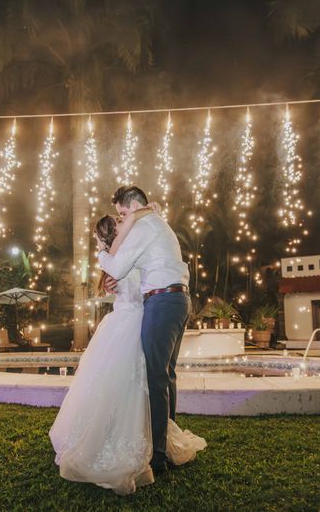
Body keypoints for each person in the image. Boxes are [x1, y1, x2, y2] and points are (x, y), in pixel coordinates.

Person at [49, 199, 205, 495]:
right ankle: (146, 440)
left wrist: (102, 254)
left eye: (124, 214)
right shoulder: (130, 252)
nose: (123, 220)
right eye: (119, 219)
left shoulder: (124, 256)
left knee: (140, 382)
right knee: (138, 383)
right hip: (132, 320)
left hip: (132, 322)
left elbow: (127, 279)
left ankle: (150, 446)